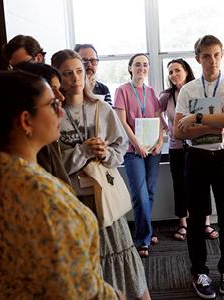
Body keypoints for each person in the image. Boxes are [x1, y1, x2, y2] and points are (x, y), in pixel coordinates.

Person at [0, 71, 120, 299]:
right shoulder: (39, 195)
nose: (61, 111)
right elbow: (68, 288)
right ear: (26, 121)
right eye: (53, 104)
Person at [51, 49, 150, 300]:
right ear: (57, 78)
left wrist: (105, 154)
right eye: (67, 73)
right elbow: (53, 167)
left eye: (79, 72)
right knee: (89, 267)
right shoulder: (53, 115)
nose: (75, 78)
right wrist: (82, 151)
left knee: (122, 261)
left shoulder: (101, 108)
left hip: (104, 197)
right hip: (75, 202)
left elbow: (120, 150)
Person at [174, 35, 224, 299]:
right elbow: (179, 133)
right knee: (195, 220)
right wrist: (217, 121)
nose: (212, 60)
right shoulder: (189, 90)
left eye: (217, 54)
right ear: (198, 58)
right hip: (197, 159)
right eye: (206, 55)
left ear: (222, 56)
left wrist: (197, 119)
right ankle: (199, 271)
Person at [159, 58, 218, 241]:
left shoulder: (197, 91)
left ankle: (206, 222)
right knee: (180, 185)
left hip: (197, 146)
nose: (174, 75)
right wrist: (167, 129)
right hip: (176, 147)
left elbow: (208, 117)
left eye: (177, 70)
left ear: (186, 71)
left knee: (203, 183)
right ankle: (183, 224)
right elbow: (156, 114)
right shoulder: (167, 96)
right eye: (170, 72)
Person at [114, 53, 164, 258]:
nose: (141, 68)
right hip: (133, 151)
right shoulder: (122, 91)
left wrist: (160, 142)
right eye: (137, 65)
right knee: (139, 195)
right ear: (130, 68)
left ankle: (145, 231)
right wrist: (138, 145)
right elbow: (122, 122)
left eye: (145, 65)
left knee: (150, 191)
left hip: (152, 150)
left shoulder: (152, 92)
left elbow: (158, 119)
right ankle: (143, 239)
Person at [14, 62, 71, 184]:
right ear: (26, 120)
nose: (61, 97)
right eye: (52, 91)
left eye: (59, 89)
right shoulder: (36, 185)